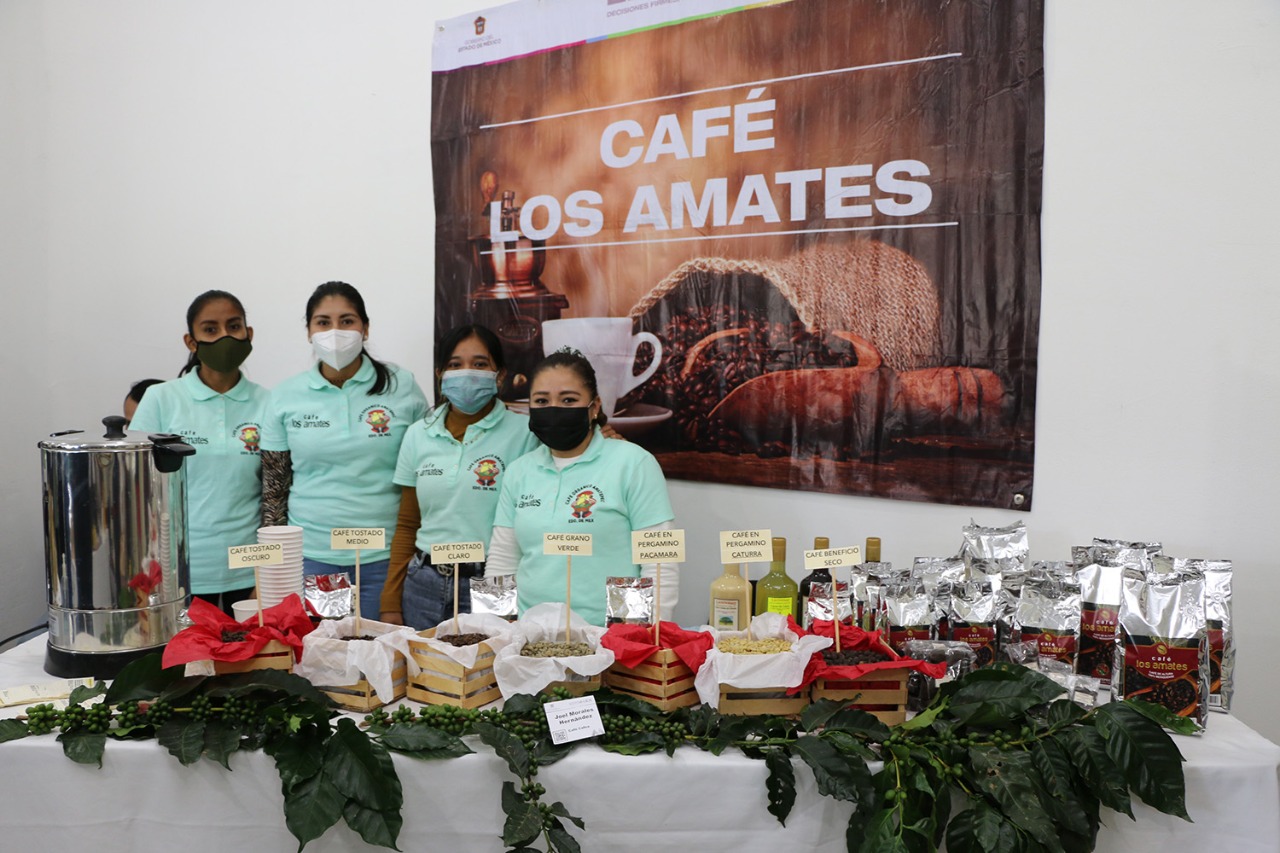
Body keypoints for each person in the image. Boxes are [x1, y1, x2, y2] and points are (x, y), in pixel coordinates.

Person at [260, 282, 428, 621]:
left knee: (380, 650)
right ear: (309, 331)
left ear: (365, 328)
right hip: (314, 557)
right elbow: (274, 492)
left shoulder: (402, 385)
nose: (334, 332)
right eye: (323, 322)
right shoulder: (285, 395)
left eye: (347, 321)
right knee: (325, 651)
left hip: (386, 557)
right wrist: (273, 569)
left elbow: (424, 468)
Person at [485, 349, 678, 626]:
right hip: (531, 634)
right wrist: (496, 631)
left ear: (595, 406)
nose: (554, 409)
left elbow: (660, 560)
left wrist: (641, 636)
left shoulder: (634, 462)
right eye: (542, 400)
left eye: (568, 400)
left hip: (609, 635)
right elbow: (502, 559)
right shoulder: (519, 471)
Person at [380, 324, 540, 628]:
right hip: (423, 584)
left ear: (500, 375)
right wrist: (390, 600)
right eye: (455, 364)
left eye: (479, 364)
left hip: (493, 581)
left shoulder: (525, 434)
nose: (467, 372)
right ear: (440, 374)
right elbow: (408, 524)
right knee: (423, 660)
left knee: (489, 660)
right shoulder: (418, 434)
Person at [127, 291, 266, 613]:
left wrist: (270, 571)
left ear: (249, 334)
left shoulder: (270, 403)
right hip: (177, 569)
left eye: (234, 326)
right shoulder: (160, 399)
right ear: (191, 341)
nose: (224, 337)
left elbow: (276, 490)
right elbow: (137, 488)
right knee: (186, 648)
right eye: (211, 329)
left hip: (249, 569)